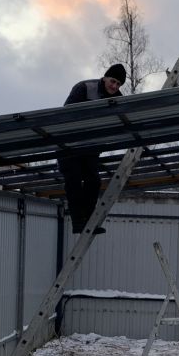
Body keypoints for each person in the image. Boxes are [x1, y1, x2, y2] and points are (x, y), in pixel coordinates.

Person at [58, 64, 127, 234]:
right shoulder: (84, 88)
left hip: (90, 146)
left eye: (118, 84)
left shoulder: (118, 99)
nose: (115, 86)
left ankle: (89, 221)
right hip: (68, 143)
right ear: (104, 78)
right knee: (73, 180)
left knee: (94, 181)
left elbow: (117, 123)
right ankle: (78, 222)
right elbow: (67, 116)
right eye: (113, 81)